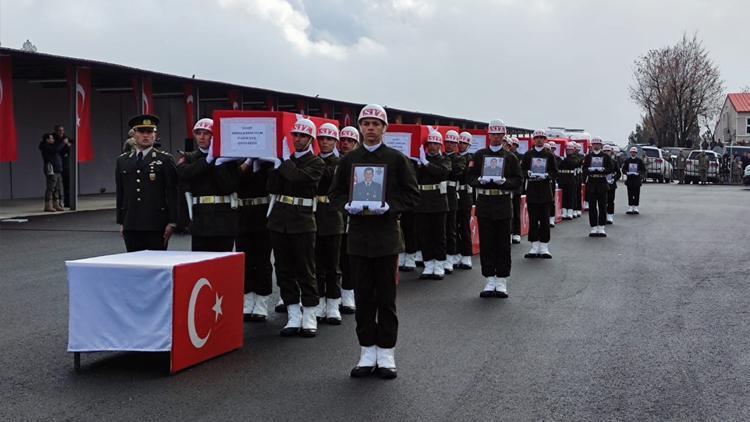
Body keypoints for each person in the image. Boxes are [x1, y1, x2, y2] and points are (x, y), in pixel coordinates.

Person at [329, 104, 420, 379]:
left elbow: (412, 195)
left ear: (384, 128)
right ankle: (367, 351)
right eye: (366, 123)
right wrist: (348, 206)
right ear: (360, 127)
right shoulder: (348, 160)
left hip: (386, 238)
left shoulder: (396, 159)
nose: (370, 128)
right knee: (364, 296)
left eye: (375, 124)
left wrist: (388, 207)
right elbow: (334, 195)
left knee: (386, 298)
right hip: (358, 237)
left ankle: (387, 353)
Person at [264, 118, 324, 337]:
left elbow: (298, 179)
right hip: (279, 219)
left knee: (305, 269)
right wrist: (274, 167)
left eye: (303, 136)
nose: (298, 139)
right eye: (295, 135)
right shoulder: (285, 161)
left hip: (302, 220)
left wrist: (282, 163)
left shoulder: (316, 163)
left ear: (310, 139)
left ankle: (309, 313)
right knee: (283, 268)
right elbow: (271, 187)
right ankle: (293, 313)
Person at [467, 119, 523, 298]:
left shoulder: (510, 157)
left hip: (502, 202)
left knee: (502, 244)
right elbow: (470, 176)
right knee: (487, 242)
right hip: (485, 201)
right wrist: (479, 181)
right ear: (488, 135)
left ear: (503, 136)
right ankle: (489, 278)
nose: (496, 137)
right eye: (493, 134)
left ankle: (502, 280)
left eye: (500, 134)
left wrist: (505, 182)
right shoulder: (479, 155)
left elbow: (518, 180)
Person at [115, 114, 178, 252]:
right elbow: (121, 193)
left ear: (155, 135)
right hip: (131, 222)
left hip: (156, 223)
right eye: (141, 132)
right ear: (134, 135)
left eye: (149, 132)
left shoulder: (165, 159)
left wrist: (172, 221)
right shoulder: (123, 161)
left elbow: (172, 191)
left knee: (156, 265)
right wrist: (121, 221)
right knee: (135, 266)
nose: (146, 136)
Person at [177, 118, 241, 252]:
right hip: (200, 218)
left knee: (223, 263)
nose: (202, 137)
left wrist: (218, 164)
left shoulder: (226, 159)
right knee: (201, 265)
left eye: (206, 133)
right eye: (198, 133)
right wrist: (207, 161)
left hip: (223, 219)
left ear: (214, 136)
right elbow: (184, 174)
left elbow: (229, 186)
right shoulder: (189, 157)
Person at [313, 123, 345, 325]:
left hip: (333, 215)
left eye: (329, 139)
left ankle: (333, 303)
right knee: (316, 264)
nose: (324, 142)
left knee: (333, 264)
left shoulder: (340, 162)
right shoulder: (313, 160)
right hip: (314, 213)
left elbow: (328, 176)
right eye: (322, 138)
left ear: (335, 142)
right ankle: (319, 301)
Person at [236, 155, 274, 322]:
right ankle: (248, 299)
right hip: (242, 213)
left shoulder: (269, 162)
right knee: (245, 260)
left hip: (262, 212)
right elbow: (232, 182)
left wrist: (259, 166)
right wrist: (247, 163)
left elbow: (272, 184)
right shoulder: (237, 161)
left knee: (263, 260)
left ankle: (262, 301)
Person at [412, 131, 451, 280]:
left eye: (435, 144)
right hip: (422, 200)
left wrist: (426, 163)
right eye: (430, 144)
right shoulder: (421, 160)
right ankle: (428, 263)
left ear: (440, 145)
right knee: (424, 233)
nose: (433, 147)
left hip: (438, 201)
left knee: (439, 234)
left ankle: (439, 263)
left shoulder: (444, 159)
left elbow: (442, 173)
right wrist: (417, 162)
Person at [521, 130, 558, 258]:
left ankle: (544, 246)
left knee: (544, 220)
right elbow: (522, 170)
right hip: (532, 191)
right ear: (533, 139)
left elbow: (554, 171)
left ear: (545, 140)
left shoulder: (549, 155)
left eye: (541, 138)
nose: (539, 140)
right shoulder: (528, 154)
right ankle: (534, 245)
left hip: (545, 192)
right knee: (533, 220)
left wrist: (547, 175)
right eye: (537, 138)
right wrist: (528, 173)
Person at [338, 126, 360, 314]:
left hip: (353, 216)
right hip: (334, 214)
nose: (345, 143)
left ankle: (348, 294)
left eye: (350, 141)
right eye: (343, 140)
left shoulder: (360, 162)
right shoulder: (336, 162)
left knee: (348, 258)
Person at [583, 137, 614, 237]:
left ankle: (601, 227)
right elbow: (584, 169)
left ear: (600, 145)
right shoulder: (588, 157)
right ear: (592, 145)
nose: (596, 145)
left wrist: (603, 169)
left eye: (598, 144)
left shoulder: (605, 156)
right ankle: (593, 227)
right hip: (592, 182)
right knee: (592, 207)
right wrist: (590, 170)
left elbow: (610, 169)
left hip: (602, 182)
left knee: (602, 206)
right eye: (594, 144)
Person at [443, 130, 465, 271]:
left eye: (452, 143)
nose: (449, 145)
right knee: (440, 229)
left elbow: (456, 172)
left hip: (451, 194)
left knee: (451, 228)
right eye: (447, 142)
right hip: (439, 194)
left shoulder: (459, 158)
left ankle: (450, 257)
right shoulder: (441, 157)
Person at [455, 131, 475, 269]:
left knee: (464, 225)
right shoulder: (453, 157)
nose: (461, 145)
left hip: (465, 193)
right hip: (454, 192)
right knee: (453, 225)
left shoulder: (471, 159)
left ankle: (466, 255)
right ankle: (456, 252)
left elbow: (466, 174)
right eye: (460, 142)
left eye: (464, 143)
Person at [38, 132, 67, 212]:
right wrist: (63, 143)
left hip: (57, 169)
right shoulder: (45, 146)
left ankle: (56, 204)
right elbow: (55, 150)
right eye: (51, 138)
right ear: (47, 140)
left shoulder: (52, 146)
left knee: (57, 188)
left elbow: (59, 150)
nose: (53, 139)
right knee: (51, 187)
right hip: (51, 169)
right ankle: (48, 205)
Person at [52, 125, 73, 208]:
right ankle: (58, 202)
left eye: (62, 130)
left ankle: (67, 202)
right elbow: (56, 149)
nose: (61, 132)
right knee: (56, 185)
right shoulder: (53, 139)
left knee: (67, 184)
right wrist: (63, 143)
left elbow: (72, 141)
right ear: (56, 131)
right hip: (56, 164)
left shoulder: (65, 138)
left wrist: (68, 144)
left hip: (65, 163)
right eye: (59, 131)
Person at [558, 143, 580, 220]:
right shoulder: (562, 158)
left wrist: (564, 159)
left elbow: (574, 163)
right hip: (563, 178)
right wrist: (562, 159)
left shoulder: (575, 157)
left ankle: (570, 211)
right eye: (567, 150)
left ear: (573, 150)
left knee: (570, 195)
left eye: (570, 150)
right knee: (564, 196)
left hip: (571, 178)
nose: (569, 151)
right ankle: (564, 211)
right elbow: (558, 166)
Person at [509, 137, 524, 243]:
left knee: (516, 211)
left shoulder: (520, 157)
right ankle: (509, 232)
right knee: (508, 212)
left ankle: (517, 233)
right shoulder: (506, 156)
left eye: (514, 145)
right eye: (511, 144)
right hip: (507, 188)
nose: (512, 147)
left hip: (516, 188)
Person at [622, 147, 645, 214]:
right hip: (629, 180)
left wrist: (639, 173)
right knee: (630, 193)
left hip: (637, 180)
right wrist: (626, 173)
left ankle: (636, 207)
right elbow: (623, 169)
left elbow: (643, 170)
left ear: (636, 153)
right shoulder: (627, 160)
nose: (633, 153)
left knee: (636, 193)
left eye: (634, 152)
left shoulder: (639, 161)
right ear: (630, 153)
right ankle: (630, 207)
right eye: (632, 152)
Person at [603, 145, 621, 224]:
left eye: (608, 151)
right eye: (605, 151)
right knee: (602, 201)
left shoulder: (614, 162)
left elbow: (618, 173)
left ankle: (610, 215)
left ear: (611, 152)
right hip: (602, 183)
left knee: (610, 200)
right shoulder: (600, 161)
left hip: (611, 184)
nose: (607, 152)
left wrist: (614, 179)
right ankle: (603, 216)